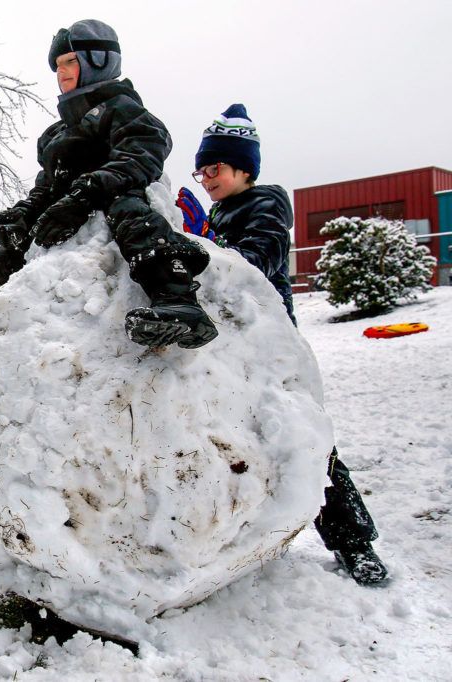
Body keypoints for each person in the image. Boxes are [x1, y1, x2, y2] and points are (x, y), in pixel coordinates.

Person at [0, 19, 216, 384]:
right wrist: (21, 216)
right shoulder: (57, 134)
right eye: (58, 66)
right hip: (63, 218)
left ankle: (177, 299)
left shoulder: (125, 110)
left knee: (127, 207)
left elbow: (140, 158)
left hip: (115, 206)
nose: (61, 73)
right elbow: (46, 187)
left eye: (70, 62)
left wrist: (84, 195)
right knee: (2, 261)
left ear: (99, 61)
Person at [178, 103, 388, 586]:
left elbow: (254, 264)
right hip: (231, 352)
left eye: (215, 168)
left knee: (306, 444)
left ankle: (354, 542)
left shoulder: (267, 205)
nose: (206, 178)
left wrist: (206, 240)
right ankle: (244, 540)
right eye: (202, 169)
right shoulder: (223, 210)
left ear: (243, 168)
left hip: (272, 353)